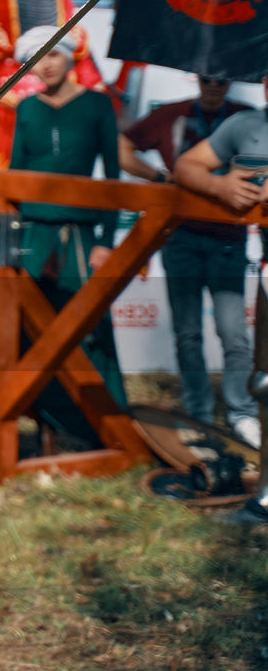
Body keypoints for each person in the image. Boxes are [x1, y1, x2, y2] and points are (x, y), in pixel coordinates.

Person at [121, 75, 258, 446]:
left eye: (222, 80)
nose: (214, 86)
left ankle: (242, 414)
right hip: (181, 235)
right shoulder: (172, 114)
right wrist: (160, 177)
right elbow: (123, 148)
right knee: (188, 333)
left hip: (228, 237)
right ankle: (198, 416)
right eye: (207, 78)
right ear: (196, 78)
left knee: (233, 333)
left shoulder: (246, 119)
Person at [10, 25, 127, 440]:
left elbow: (113, 179)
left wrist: (105, 242)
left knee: (88, 329)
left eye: (53, 55)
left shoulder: (97, 106)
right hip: (34, 237)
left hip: (79, 238)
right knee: (32, 330)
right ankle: (47, 424)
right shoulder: (26, 110)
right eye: (37, 58)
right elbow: (14, 177)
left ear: (69, 56)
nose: (46, 64)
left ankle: (105, 424)